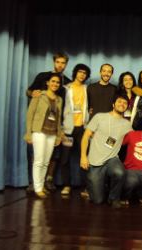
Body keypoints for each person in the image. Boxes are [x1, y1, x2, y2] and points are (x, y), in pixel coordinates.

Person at [26, 52, 70, 191]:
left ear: (66, 65)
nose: (60, 65)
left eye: (63, 63)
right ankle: (35, 183)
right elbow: (29, 91)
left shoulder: (67, 83)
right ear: (54, 62)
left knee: (54, 155)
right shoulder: (42, 76)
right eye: (58, 62)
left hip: (56, 123)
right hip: (39, 123)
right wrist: (32, 94)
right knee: (36, 155)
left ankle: (48, 180)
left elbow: (66, 105)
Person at [80, 94, 132, 207]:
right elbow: (86, 136)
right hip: (95, 161)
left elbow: (135, 139)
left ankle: (113, 199)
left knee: (119, 172)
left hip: (112, 159)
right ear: (113, 104)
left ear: (127, 107)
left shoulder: (128, 124)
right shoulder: (99, 117)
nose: (122, 104)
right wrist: (83, 156)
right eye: (119, 101)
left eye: (125, 103)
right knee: (97, 200)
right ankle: (93, 188)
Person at [24, 73, 63, 198]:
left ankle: (40, 186)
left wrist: (58, 135)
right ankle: (37, 188)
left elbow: (58, 119)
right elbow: (30, 115)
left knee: (46, 162)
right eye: (53, 81)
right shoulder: (39, 95)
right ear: (47, 82)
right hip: (39, 131)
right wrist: (29, 133)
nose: (55, 84)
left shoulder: (59, 99)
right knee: (38, 161)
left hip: (52, 133)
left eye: (57, 82)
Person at [59, 64, 90, 195]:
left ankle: (86, 187)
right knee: (65, 158)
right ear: (75, 73)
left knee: (84, 158)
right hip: (68, 128)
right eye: (80, 72)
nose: (82, 75)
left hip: (83, 129)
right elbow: (59, 108)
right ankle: (67, 185)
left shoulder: (87, 89)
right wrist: (60, 128)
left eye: (84, 73)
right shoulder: (66, 88)